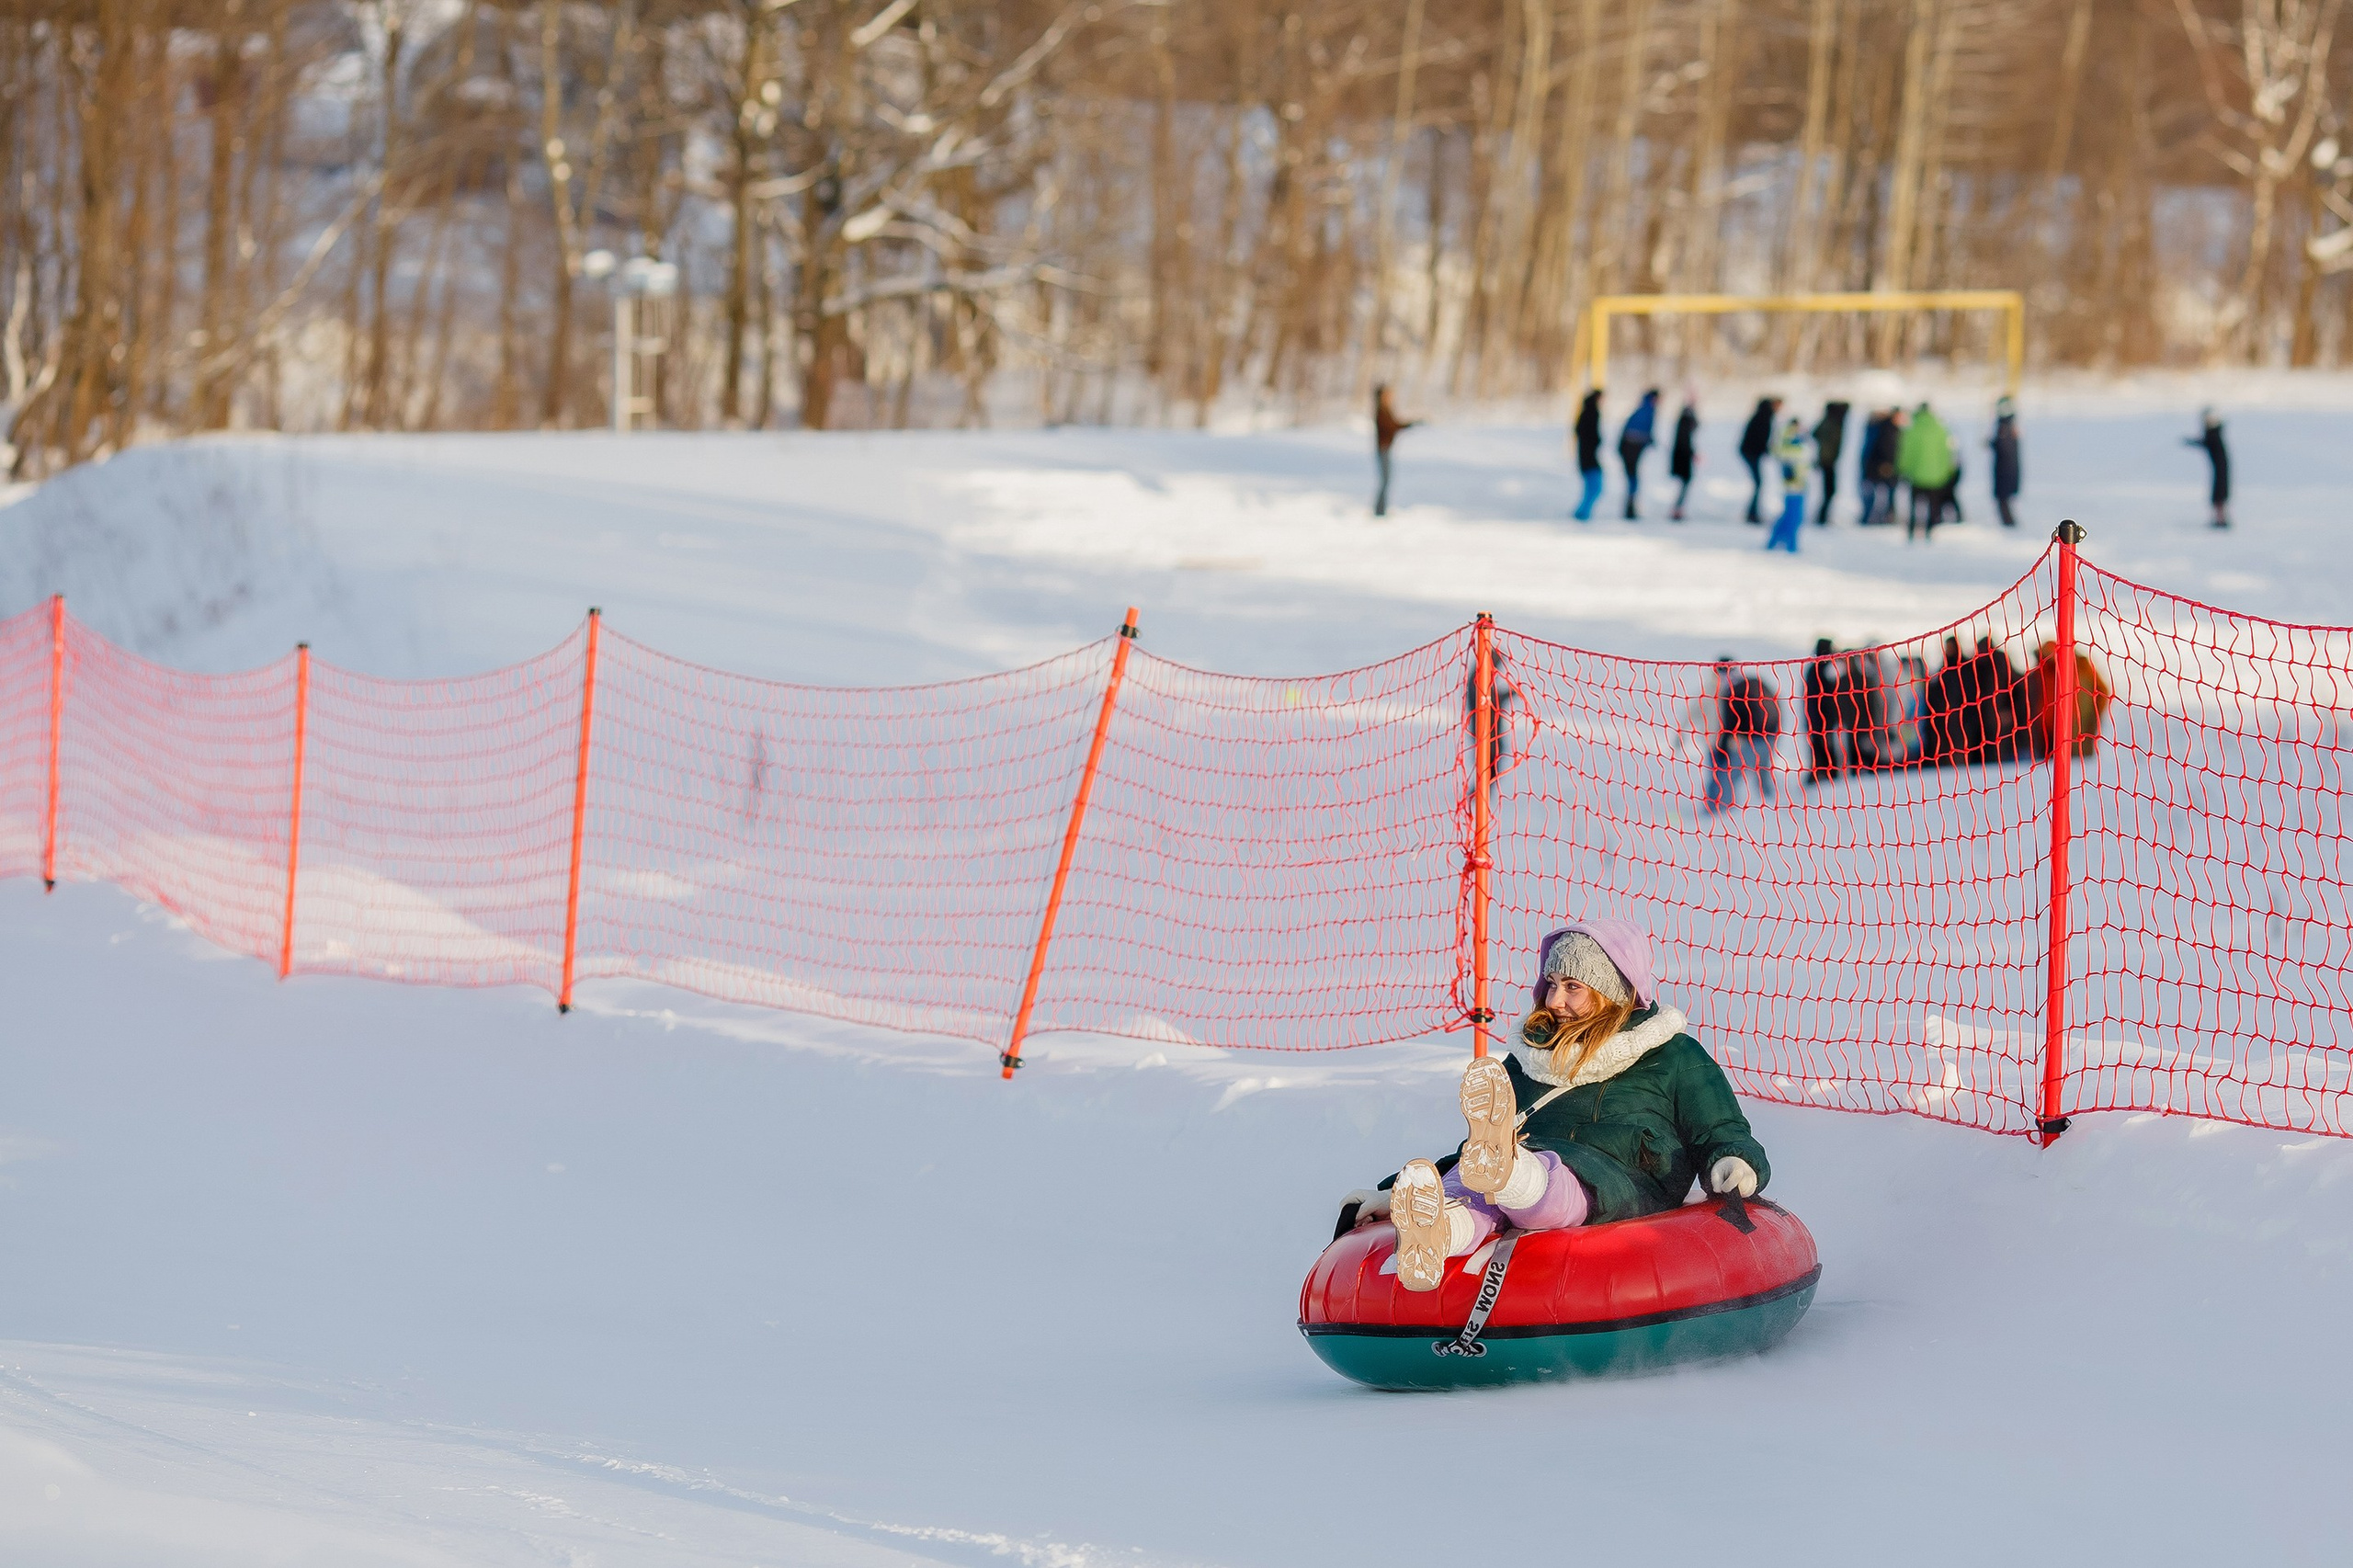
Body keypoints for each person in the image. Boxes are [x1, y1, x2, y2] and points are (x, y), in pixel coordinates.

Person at [1338, 921, 1773, 1292]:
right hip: (1516, 1156)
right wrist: (1397, 1190)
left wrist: (1734, 1160)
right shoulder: (1531, 1057)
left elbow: (1720, 1129)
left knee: (1546, 1180)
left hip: (1616, 1178)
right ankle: (1437, 1232)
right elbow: (1481, 1148)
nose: (1553, 1001)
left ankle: (1512, 1173)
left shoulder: (1673, 1055)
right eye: (1551, 984)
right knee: (1474, 1185)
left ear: (1611, 991)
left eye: (1572, 987)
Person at [1704, 656, 1781, 812]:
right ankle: (1773, 806)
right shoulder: (1755, 682)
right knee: (1763, 772)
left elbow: (1729, 726)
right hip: (1769, 737)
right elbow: (1777, 705)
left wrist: (1722, 748)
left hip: (1752, 741)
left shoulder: (1731, 692)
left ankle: (1720, 812)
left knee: (1729, 776)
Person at [2024, 641, 2114, 759]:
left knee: (2078, 761)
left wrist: (2094, 715)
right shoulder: (2039, 672)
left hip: (2077, 726)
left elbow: (2102, 692)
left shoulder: (2081, 667)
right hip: (2047, 730)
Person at [1898, 401, 1958, 541]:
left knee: (1914, 505)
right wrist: (1946, 471)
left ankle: (1912, 530)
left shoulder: (1912, 429)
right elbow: (1946, 453)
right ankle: (1930, 530)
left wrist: (1903, 468)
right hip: (1935, 475)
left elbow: (1906, 452)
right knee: (1933, 504)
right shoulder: (1940, 429)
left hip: (1916, 475)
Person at [1802, 637, 1847, 784]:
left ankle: (1820, 780)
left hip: (1817, 721)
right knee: (1822, 754)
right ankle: (1821, 781)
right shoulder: (1821, 670)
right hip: (1820, 722)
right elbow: (1823, 701)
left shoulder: (1816, 668)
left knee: (1821, 753)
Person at [1766, 416, 1811, 552]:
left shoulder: (1795, 440)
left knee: (1792, 514)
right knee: (1793, 515)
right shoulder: (1790, 440)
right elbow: (1788, 457)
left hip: (1798, 482)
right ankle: (1789, 544)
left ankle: (1777, 541)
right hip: (1794, 483)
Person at [1372, 384, 1415, 517]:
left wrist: (1408, 425)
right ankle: (1380, 511)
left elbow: (1394, 425)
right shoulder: (1381, 411)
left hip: (1386, 449)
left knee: (1387, 480)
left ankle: (1381, 509)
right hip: (1383, 449)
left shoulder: (1386, 410)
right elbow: (1390, 427)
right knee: (1385, 480)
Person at [1619, 388, 1660, 519]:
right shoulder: (1647, 410)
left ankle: (1630, 508)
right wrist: (1647, 439)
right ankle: (1629, 509)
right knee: (1633, 479)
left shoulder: (1643, 409)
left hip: (1630, 450)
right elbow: (1636, 432)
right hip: (1631, 450)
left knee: (1633, 479)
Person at [1739, 396, 1780, 523]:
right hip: (1751, 453)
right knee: (1758, 483)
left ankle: (1752, 512)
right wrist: (1766, 450)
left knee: (1758, 483)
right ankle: (1752, 513)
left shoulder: (1762, 416)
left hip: (1751, 452)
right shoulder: (1764, 418)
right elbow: (1759, 438)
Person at [1858, 407, 1902, 526]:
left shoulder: (1877, 427)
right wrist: (1886, 463)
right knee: (1880, 494)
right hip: (1882, 467)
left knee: (1875, 493)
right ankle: (1880, 517)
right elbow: (1886, 448)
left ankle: (1872, 517)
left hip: (1874, 466)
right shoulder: (1888, 429)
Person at [2188, 408, 2230, 528]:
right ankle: (2220, 519)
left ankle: (2221, 520)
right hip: (2219, 469)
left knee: (2219, 495)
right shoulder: (2214, 433)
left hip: (2221, 469)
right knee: (2218, 495)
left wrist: (2191, 442)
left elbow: (2206, 442)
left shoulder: (2214, 434)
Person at [1813, 400, 1849, 526]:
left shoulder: (1831, 421)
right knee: (1829, 490)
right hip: (1827, 461)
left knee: (1829, 491)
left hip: (1828, 460)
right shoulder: (1833, 423)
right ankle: (1822, 517)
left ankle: (1823, 516)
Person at [1573, 390, 1605, 521]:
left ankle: (1582, 512)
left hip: (1586, 457)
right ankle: (1582, 513)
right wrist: (1596, 441)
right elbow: (1592, 436)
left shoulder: (1585, 413)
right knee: (1596, 487)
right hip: (1589, 458)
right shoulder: (1592, 413)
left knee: (1592, 487)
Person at [1989, 396, 2021, 528]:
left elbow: (2005, 447)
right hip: (2007, 469)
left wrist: (1994, 444)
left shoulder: (2005, 426)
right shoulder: (2009, 424)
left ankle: (2009, 525)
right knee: (2003, 500)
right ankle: (2008, 524)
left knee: (2003, 500)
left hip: (2005, 470)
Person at [1668, 394, 1699, 520]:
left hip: (1682, 456)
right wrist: (1692, 454)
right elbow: (1684, 441)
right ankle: (1677, 509)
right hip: (1683, 457)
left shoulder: (1684, 418)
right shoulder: (1686, 420)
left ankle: (1678, 508)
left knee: (1685, 483)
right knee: (1685, 483)